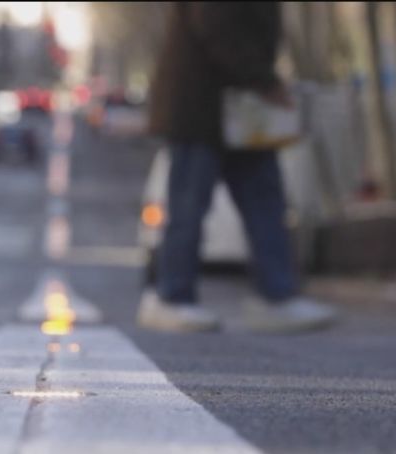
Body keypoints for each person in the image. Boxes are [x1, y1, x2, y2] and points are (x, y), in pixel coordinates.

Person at [138, 2, 337, 333]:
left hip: (241, 110)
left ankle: (277, 296)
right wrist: (266, 82)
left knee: (266, 203)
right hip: (200, 108)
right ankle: (172, 297)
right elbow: (218, 28)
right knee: (190, 208)